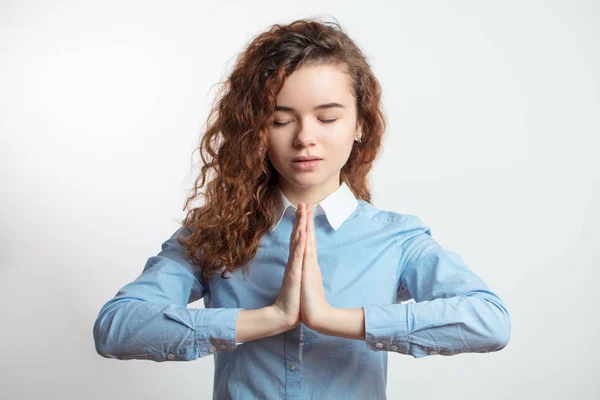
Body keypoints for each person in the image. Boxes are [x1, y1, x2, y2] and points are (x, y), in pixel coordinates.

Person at [93, 17, 511, 399]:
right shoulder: (215, 232)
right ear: (255, 128)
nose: (305, 138)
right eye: (280, 120)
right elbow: (116, 327)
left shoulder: (395, 239)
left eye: (327, 118)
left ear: (360, 123)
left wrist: (335, 319)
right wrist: (266, 319)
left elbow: (489, 321)